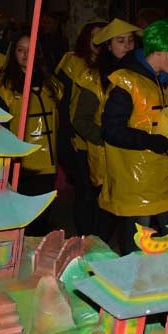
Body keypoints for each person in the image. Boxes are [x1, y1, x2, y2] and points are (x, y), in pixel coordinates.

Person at [100, 18, 168, 253]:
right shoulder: (126, 82)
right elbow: (111, 130)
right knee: (137, 251)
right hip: (136, 185)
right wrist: (150, 141)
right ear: (161, 50)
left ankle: (167, 287)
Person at [72, 18, 141, 242]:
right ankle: (90, 260)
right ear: (108, 46)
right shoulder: (93, 78)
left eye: (130, 40)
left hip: (135, 158)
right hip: (107, 159)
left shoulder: (140, 74)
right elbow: (80, 120)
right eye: (121, 41)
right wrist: (108, 138)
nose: (127, 45)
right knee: (107, 218)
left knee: (132, 220)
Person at [0, 33, 64, 237]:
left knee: (41, 217)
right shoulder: (2, 88)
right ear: (13, 53)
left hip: (47, 163)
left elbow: (61, 124)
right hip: (20, 164)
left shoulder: (52, 85)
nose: (25, 54)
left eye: (30, 50)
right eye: (20, 49)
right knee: (18, 218)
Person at [55, 20, 108, 236]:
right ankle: (86, 238)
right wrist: (66, 136)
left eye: (102, 35)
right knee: (85, 191)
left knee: (102, 193)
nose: (97, 40)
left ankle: (98, 236)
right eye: (93, 35)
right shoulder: (72, 61)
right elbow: (61, 100)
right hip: (78, 139)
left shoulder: (110, 65)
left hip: (104, 140)